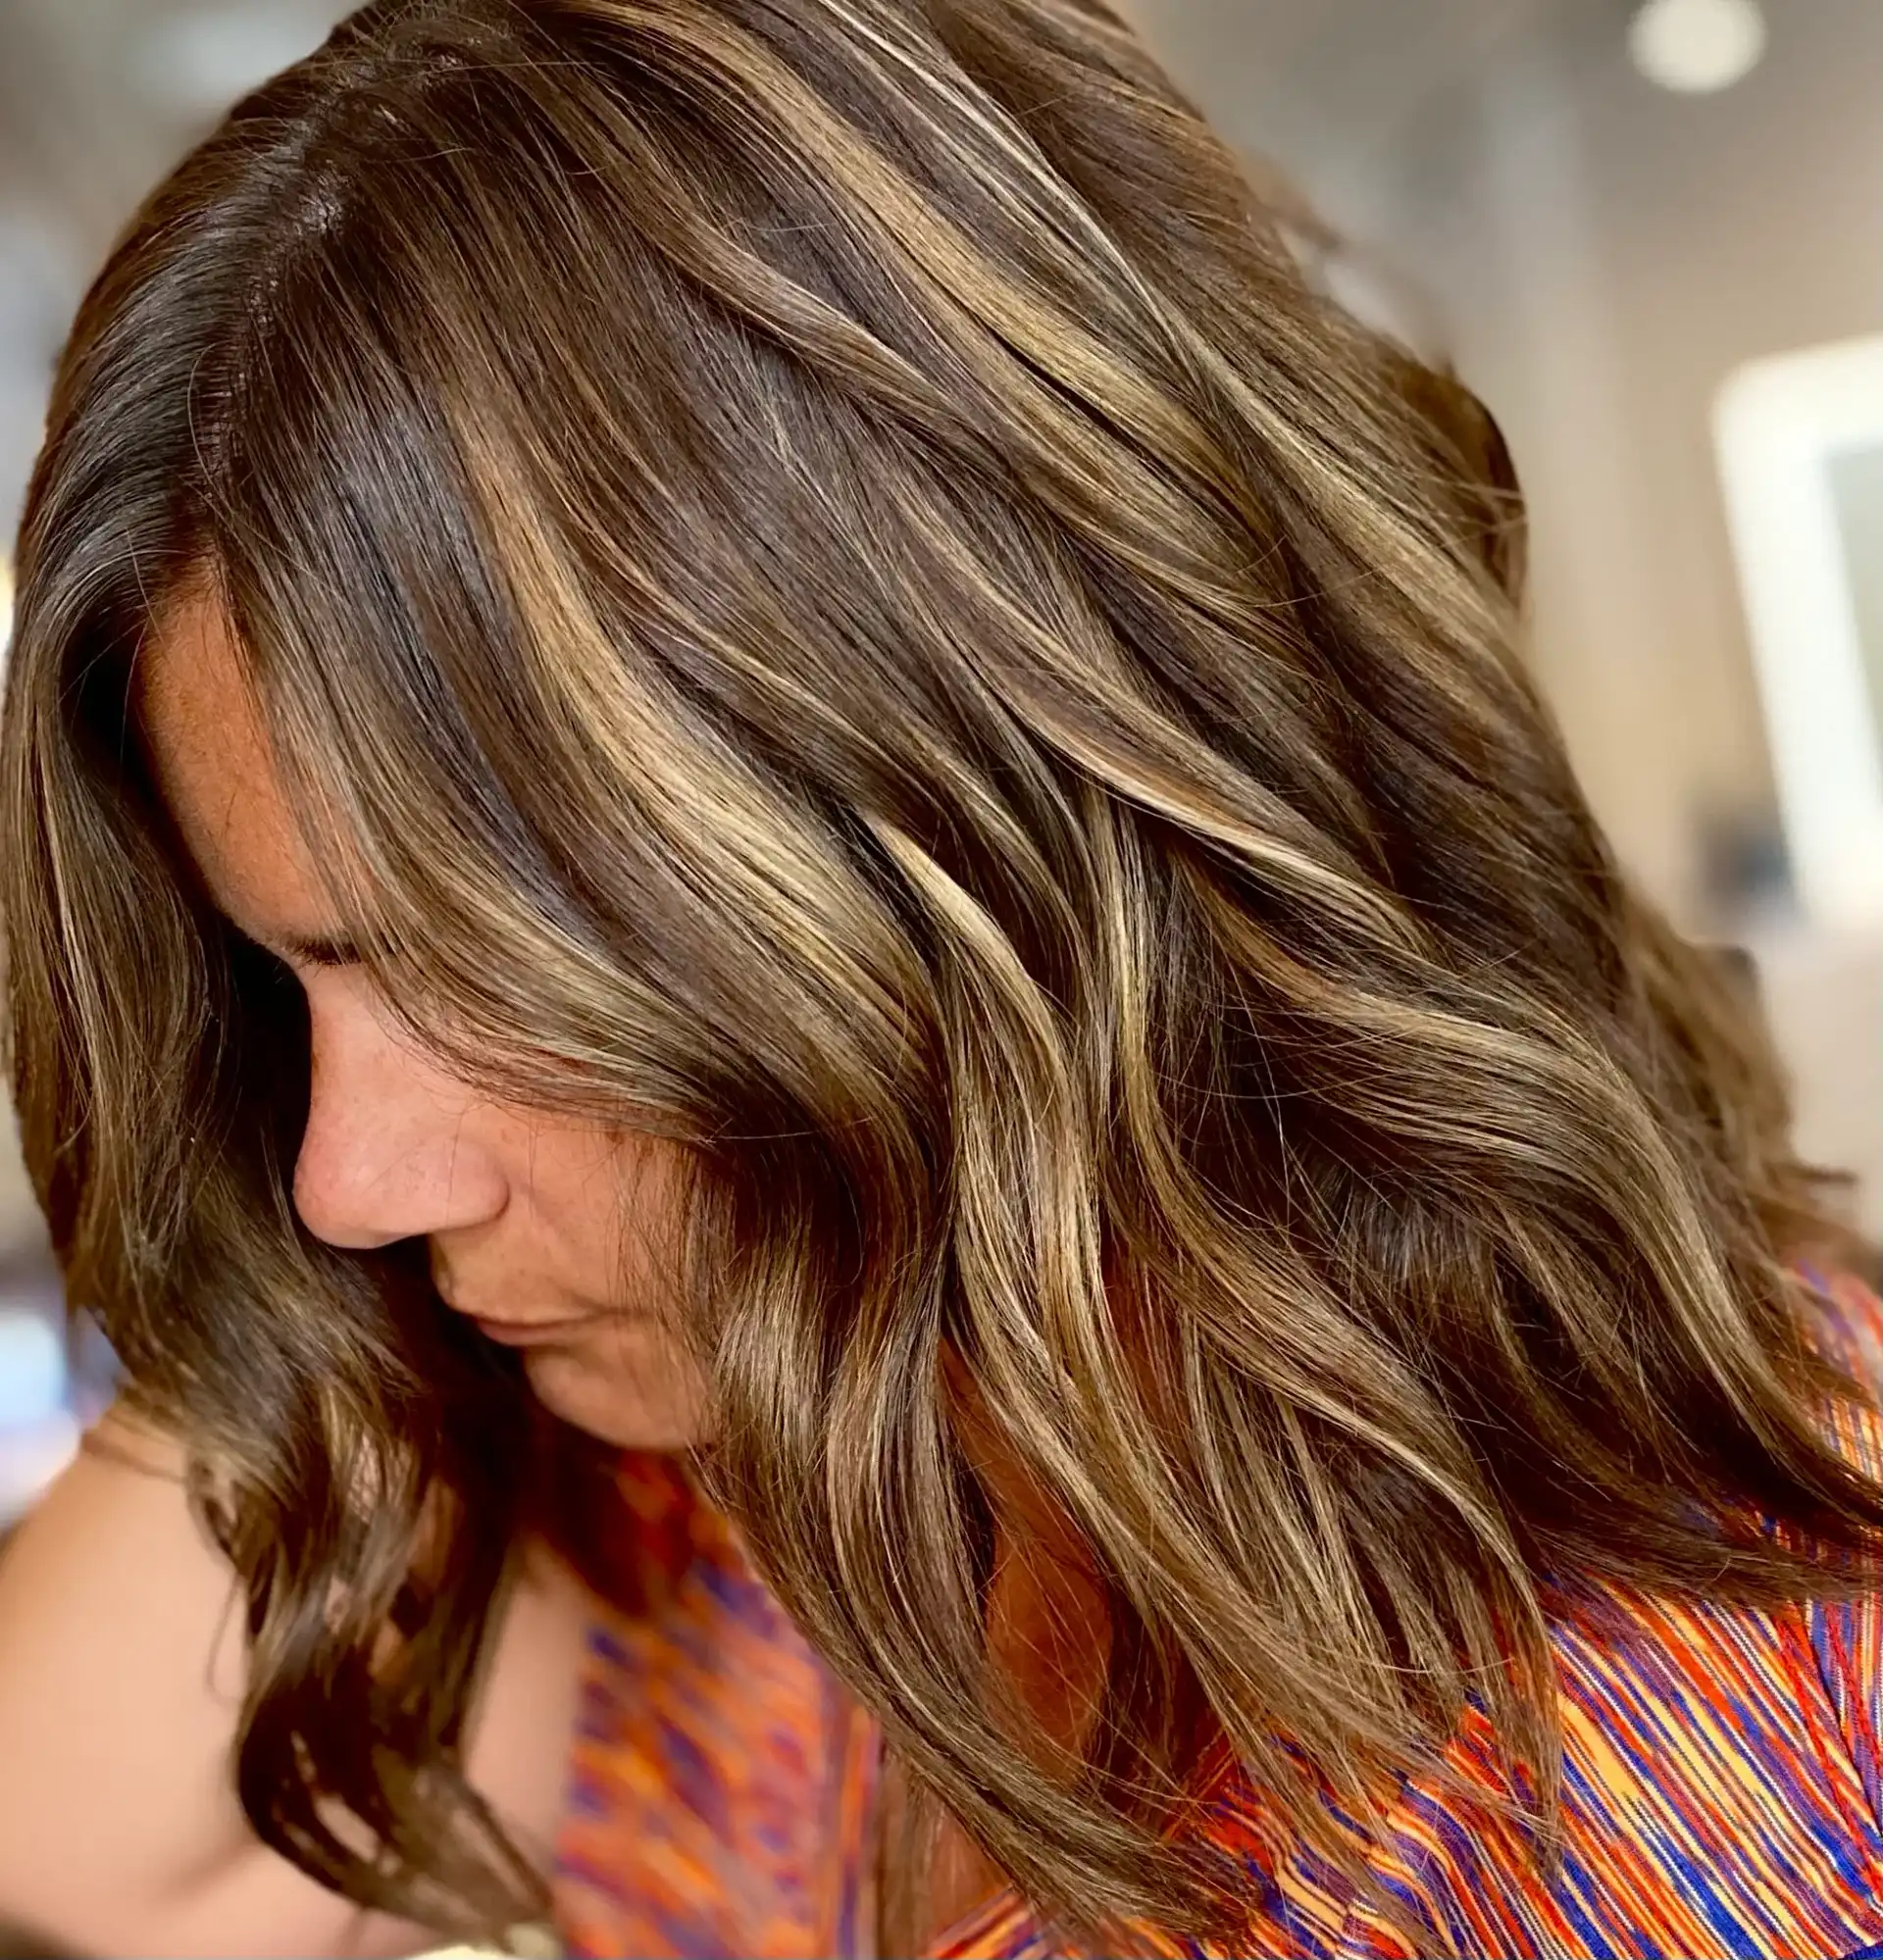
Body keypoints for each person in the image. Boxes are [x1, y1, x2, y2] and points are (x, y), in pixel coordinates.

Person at [0, 2, 1878, 1955]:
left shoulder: (1740, 1763)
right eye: (289, 979)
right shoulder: (788, 1508)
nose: (347, 1177)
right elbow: (57, 1818)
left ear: (959, 828)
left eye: (474, 960)